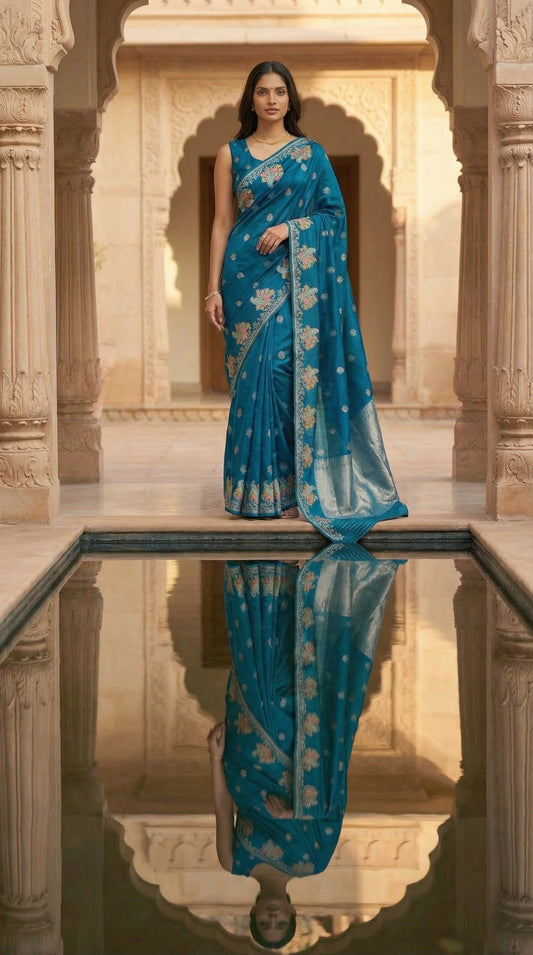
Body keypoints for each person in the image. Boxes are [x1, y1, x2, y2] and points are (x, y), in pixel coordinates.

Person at [205, 60, 408, 542]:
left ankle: (296, 491)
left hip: (295, 281)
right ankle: (254, 493)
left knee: (286, 374)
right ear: (250, 99)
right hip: (243, 278)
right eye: (262, 92)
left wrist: (290, 228)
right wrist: (212, 287)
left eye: (279, 91)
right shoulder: (230, 154)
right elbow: (220, 222)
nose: (271, 100)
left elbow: (332, 216)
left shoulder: (310, 155)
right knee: (254, 380)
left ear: (290, 100)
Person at [207, 546, 400, 949]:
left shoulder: (234, 863)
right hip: (296, 753)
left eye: (265, 923)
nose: (273, 918)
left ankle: (258, 569)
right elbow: (334, 803)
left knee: (252, 664)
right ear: (294, 913)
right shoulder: (313, 860)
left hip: (245, 752)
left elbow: (223, 806)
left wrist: (213, 757)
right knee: (289, 672)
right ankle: (296, 582)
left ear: (254, 915)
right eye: (281, 924)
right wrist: (300, 809)